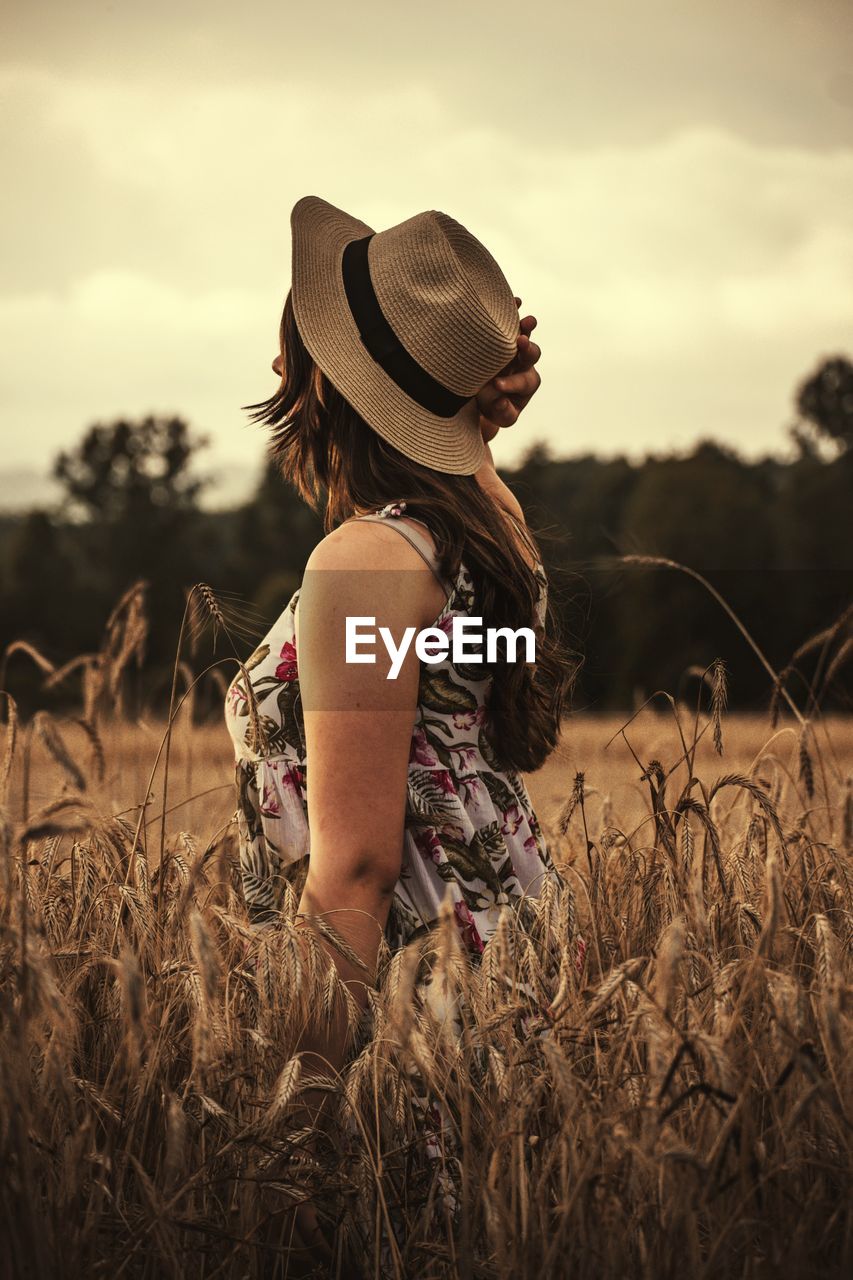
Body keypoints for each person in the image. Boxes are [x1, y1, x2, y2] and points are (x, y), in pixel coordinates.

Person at [223, 195, 576, 1264]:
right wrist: (471, 423)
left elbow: (361, 863)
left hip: (413, 995)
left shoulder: (368, 565)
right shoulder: (482, 526)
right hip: (503, 951)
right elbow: (474, 704)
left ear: (322, 379)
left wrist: (299, 1109)